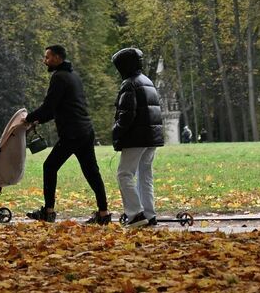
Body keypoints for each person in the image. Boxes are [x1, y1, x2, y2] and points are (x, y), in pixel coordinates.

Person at [25, 44, 112, 224]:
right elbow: (56, 109)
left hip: (72, 134)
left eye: (47, 57)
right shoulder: (73, 76)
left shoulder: (59, 77)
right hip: (85, 131)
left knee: (49, 167)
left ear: (57, 58)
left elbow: (49, 106)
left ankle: (48, 212)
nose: (45, 61)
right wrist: (37, 120)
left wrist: (27, 118)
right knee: (91, 171)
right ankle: (103, 213)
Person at [111, 46, 166, 225]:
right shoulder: (147, 80)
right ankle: (149, 214)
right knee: (145, 175)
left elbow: (127, 115)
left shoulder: (129, 84)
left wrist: (117, 131)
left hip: (136, 137)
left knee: (124, 174)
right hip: (151, 137)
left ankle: (135, 214)